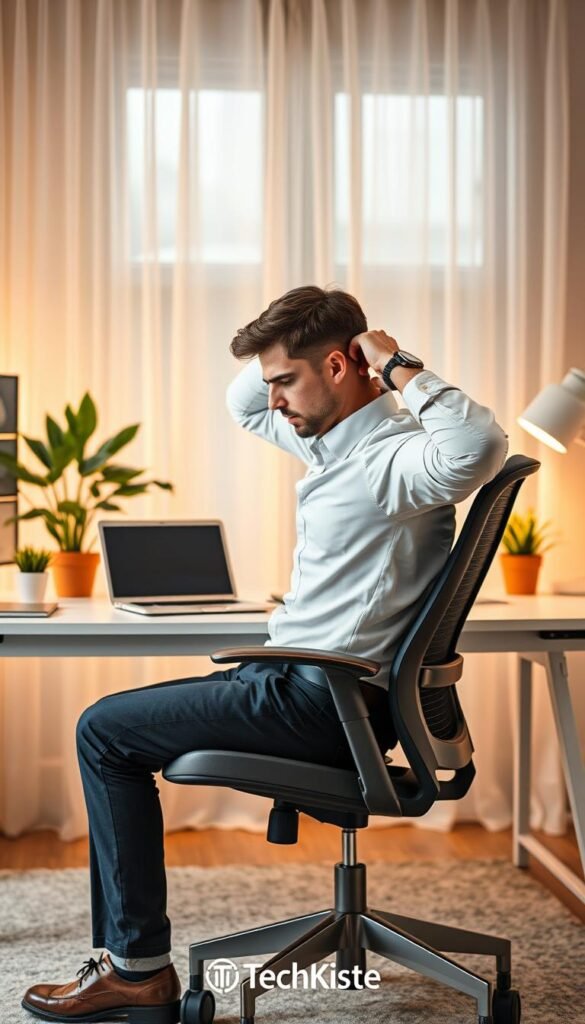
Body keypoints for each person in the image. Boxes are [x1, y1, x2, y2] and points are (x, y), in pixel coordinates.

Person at [22, 285, 508, 1023]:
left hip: (318, 700)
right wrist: (307, 339)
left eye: (286, 379)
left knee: (103, 731)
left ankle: (136, 973)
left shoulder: (396, 459)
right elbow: (241, 402)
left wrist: (392, 360)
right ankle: (134, 965)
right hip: (314, 689)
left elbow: (479, 444)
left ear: (343, 368)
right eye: (275, 379)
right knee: (120, 724)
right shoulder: (329, 439)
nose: (273, 399)